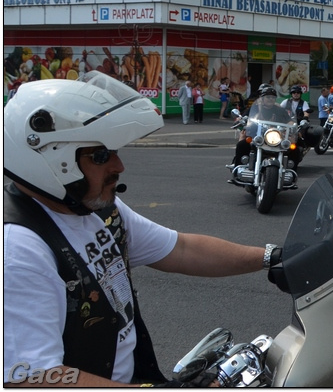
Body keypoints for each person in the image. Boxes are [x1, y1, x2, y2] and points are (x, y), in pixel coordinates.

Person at [3, 72, 277, 386]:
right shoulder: (19, 249)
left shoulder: (97, 210)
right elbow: (32, 377)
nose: (119, 166)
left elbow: (182, 249)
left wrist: (272, 257)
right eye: (102, 155)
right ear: (51, 162)